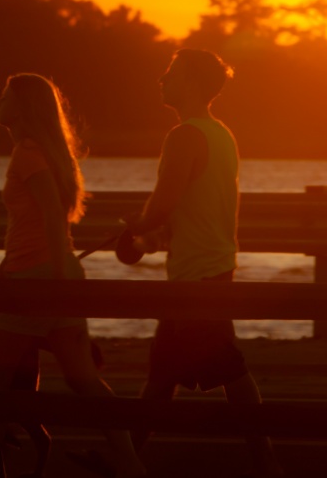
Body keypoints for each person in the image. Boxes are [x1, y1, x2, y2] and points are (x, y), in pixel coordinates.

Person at [0, 73, 147, 478]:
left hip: (38, 281)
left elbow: (51, 220)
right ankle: (131, 465)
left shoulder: (28, 153)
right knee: (84, 381)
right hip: (47, 274)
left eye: (5, 96)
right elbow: (34, 231)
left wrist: (54, 284)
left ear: (22, 107)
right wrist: (3, 275)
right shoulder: (43, 152)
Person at [125, 48, 284, 477]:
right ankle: (127, 459)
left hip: (196, 275)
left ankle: (264, 459)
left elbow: (162, 206)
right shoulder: (221, 134)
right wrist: (154, 234)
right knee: (162, 375)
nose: (161, 79)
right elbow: (190, 209)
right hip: (212, 263)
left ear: (191, 83)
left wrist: (131, 228)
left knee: (226, 365)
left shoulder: (184, 136)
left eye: (171, 73)